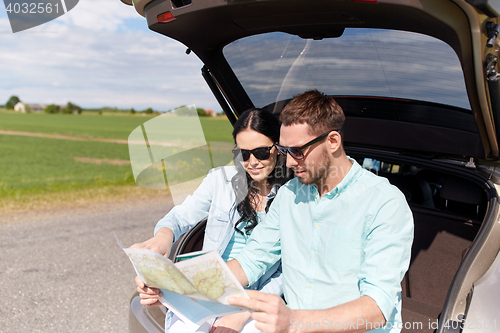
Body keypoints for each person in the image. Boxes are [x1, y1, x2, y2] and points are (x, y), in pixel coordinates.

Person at [226, 90, 414, 333]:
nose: (290, 163)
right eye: (284, 151)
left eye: (297, 151)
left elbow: (376, 308)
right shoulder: (289, 195)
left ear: (333, 141)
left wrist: (293, 321)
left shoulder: (384, 202)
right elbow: (250, 260)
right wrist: (181, 284)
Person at [131, 108, 290, 333]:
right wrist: (164, 237)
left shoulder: (293, 196)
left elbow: (288, 271)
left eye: (262, 152)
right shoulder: (219, 180)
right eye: (243, 154)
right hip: (206, 290)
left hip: (260, 299)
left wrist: (246, 312)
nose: (252, 162)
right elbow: (179, 216)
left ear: (279, 148)